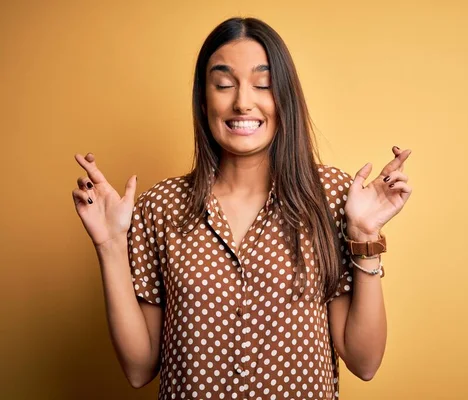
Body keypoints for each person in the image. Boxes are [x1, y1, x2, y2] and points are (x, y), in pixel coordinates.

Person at [72, 17, 412, 400]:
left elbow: (363, 361)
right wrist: (111, 245)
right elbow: (139, 368)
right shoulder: (161, 208)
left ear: (285, 97)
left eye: (262, 85)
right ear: (204, 99)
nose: (242, 102)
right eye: (224, 84)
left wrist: (365, 235)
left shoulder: (330, 198)